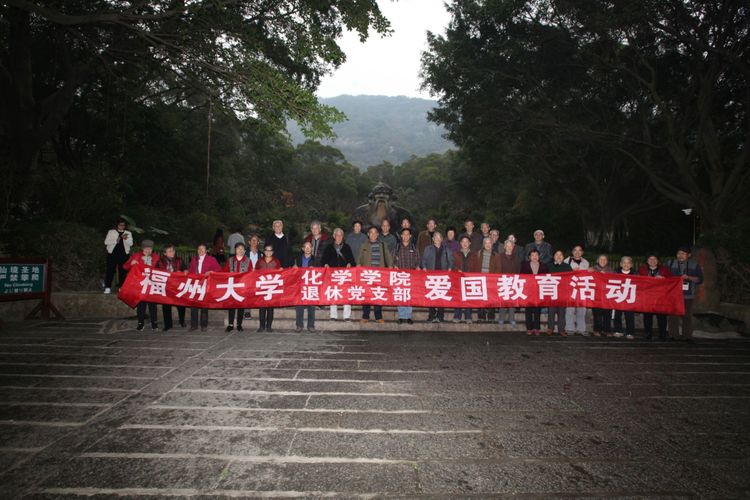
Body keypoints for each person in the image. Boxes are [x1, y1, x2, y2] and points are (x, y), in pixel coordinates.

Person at [667, 246, 704, 342]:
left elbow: (700, 279)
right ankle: (673, 335)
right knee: (673, 316)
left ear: (689, 255)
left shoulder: (694, 265)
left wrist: (688, 277)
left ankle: (687, 336)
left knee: (687, 316)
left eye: (683, 253)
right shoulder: (670, 263)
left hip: (688, 294)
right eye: (679, 253)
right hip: (673, 294)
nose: (680, 255)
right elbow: (666, 277)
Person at [357, 226, 393, 323]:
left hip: (379, 274)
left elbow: (388, 256)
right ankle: (365, 316)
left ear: (377, 234)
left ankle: (378, 316)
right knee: (366, 295)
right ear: (368, 234)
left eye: (375, 232)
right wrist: (358, 265)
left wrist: (390, 266)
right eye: (371, 232)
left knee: (378, 294)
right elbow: (359, 258)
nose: (373, 234)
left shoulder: (383, 245)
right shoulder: (364, 245)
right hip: (367, 275)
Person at [123, 239, 160, 331]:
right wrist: (131, 263)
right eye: (146, 248)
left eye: (150, 248)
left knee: (152, 305)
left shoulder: (156, 257)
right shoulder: (136, 256)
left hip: (152, 284)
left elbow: (161, 269)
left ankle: (154, 323)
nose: (148, 250)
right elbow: (125, 267)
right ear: (142, 249)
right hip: (140, 284)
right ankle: (140, 323)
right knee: (141, 305)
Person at [322, 227, 357, 321]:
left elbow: (352, 261)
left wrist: (350, 264)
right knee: (334, 293)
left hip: (344, 275)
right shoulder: (329, 247)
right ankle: (333, 315)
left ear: (343, 236)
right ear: (334, 236)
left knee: (346, 294)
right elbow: (323, 260)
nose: (339, 237)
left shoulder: (347, 247)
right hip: (332, 275)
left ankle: (346, 316)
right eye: (337, 235)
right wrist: (325, 264)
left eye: (340, 235)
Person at [188, 243, 221, 332]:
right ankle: (194, 325)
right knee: (193, 305)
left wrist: (211, 272)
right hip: (195, 285)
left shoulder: (211, 259)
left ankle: (204, 325)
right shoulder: (194, 260)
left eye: (203, 249)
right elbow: (190, 271)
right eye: (199, 249)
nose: (200, 251)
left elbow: (219, 270)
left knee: (204, 305)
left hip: (206, 285)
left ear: (206, 251)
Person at [638, 252, 671, 341]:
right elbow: (638, 280)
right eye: (650, 259)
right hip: (647, 297)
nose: (652, 261)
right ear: (647, 261)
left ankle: (662, 335)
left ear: (658, 260)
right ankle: (648, 334)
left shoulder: (664, 270)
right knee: (647, 316)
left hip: (660, 297)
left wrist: (664, 278)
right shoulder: (642, 269)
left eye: (654, 259)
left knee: (662, 316)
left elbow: (671, 281)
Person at [423, 231, 454, 323]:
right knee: (431, 295)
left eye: (439, 237)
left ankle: (440, 316)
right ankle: (431, 315)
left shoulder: (446, 249)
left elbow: (451, 260)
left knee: (441, 296)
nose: (437, 239)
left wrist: (450, 268)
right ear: (433, 239)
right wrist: (424, 267)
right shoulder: (428, 249)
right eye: (435, 237)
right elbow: (423, 260)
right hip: (431, 276)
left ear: (441, 239)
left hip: (443, 276)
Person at [392, 227, 420, 324]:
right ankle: (401, 316)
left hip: (410, 276)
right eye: (404, 234)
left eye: (407, 234)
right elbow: (392, 259)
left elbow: (418, 260)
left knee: (408, 295)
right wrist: (394, 266)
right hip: (399, 276)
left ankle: (408, 316)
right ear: (401, 236)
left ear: (410, 236)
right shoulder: (397, 247)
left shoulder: (414, 247)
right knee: (400, 295)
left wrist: (417, 267)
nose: (405, 236)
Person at [155, 244, 186, 331]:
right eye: (169, 251)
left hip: (177, 286)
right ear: (165, 253)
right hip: (166, 287)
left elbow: (185, 269)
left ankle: (182, 321)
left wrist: (184, 271)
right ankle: (168, 324)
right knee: (166, 306)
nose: (172, 252)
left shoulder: (179, 260)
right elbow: (156, 272)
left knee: (181, 305)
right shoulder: (160, 262)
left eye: (173, 250)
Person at [223, 242, 252, 332]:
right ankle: (230, 324)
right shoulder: (230, 260)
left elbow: (250, 274)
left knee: (241, 306)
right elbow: (224, 272)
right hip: (232, 286)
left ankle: (239, 324)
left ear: (244, 251)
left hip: (243, 286)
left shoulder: (248, 260)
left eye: (242, 249)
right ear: (235, 250)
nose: (240, 250)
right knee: (231, 305)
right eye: (238, 248)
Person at [521, 249, 549, 335]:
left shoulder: (544, 266)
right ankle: (529, 328)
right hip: (528, 291)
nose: (534, 257)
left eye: (536, 255)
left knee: (537, 310)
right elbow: (521, 277)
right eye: (532, 255)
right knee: (528, 310)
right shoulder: (524, 265)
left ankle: (537, 328)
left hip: (539, 291)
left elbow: (547, 277)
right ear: (529, 257)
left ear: (539, 256)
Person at [451, 235, 478, 323]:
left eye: (467, 242)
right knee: (458, 297)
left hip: (470, 279)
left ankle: (468, 316)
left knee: (468, 298)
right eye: (463, 242)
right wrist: (457, 270)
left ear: (470, 243)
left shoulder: (474, 254)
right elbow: (452, 265)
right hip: (458, 279)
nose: (465, 243)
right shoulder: (455, 254)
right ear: (460, 243)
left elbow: (476, 267)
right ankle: (457, 316)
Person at [564, 245, 590, 336]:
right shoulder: (566, 261)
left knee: (582, 309)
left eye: (579, 250)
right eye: (575, 250)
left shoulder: (586, 262)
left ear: (582, 252)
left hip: (582, 288)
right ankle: (570, 328)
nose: (577, 252)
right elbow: (563, 273)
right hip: (570, 288)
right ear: (572, 252)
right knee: (569, 309)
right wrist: (571, 271)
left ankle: (581, 329)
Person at [256, 244, 282, 332]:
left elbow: (280, 274)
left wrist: (281, 271)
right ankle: (261, 326)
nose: (268, 252)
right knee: (262, 307)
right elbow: (255, 273)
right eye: (267, 250)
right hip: (262, 287)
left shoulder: (276, 261)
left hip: (272, 287)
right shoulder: (260, 261)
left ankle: (269, 326)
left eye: (270, 250)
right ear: (264, 251)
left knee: (270, 308)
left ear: (273, 252)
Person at [103, 218, 133, 294]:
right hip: (112, 254)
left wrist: (126, 239)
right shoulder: (111, 232)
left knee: (123, 271)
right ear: (117, 225)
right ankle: (107, 287)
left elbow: (131, 244)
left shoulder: (128, 233)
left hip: (124, 255)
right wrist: (116, 240)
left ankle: (121, 287)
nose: (122, 226)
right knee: (110, 270)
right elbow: (106, 242)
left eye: (123, 225)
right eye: (120, 225)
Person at [293, 242, 317, 332]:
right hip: (300, 284)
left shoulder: (316, 259)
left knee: (311, 306)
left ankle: (311, 325)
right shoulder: (297, 259)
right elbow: (293, 272)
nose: (307, 249)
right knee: (299, 306)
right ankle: (299, 325)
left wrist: (315, 269)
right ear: (303, 249)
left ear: (312, 248)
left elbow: (321, 272)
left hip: (311, 285)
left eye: (309, 247)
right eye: (305, 247)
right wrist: (294, 267)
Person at [498, 239, 522, 328]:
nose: (509, 248)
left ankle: (512, 319)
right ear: (504, 247)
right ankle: (501, 318)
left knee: (512, 302)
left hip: (513, 281)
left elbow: (518, 269)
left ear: (513, 247)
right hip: (503, 281)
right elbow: (498, 268)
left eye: (510, 246)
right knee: (502, 301)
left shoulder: (516, 257)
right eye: (507, 246)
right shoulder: (500, 256)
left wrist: (516, 280)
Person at [476, 237, 500, 322]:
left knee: (491, 298)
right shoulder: (479, 253)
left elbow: (498, 268)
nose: (488, 245)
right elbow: (475, 266)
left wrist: (493, 278)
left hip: (491, 279)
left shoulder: (496, 255)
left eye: (489, 243)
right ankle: (481, 316)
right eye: (486, 243)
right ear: (483, 244)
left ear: (492, 244)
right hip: (480, 279)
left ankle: (491, 316)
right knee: (480, 298)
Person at [548, 250, 572, 336]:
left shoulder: (567, 266)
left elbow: (571, 278)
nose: (558, 256)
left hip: (563, 293)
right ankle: (550, 328)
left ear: (563, 257)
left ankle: (561, 329)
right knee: (551, 312)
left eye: (560, 255)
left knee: (562, 312)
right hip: (552, 292)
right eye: (556, 255)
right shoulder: (549, 266)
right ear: (553, 256)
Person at [613, 256, 637, 340]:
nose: (626, 264)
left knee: (629, 315)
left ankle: (630, 332)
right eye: (624, 263)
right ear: (620, 264)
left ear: (631, 265)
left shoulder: (635, 274)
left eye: (628, 263)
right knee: (617, 314)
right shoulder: (616, 273)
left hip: (630, 298)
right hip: (619, 296)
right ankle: (618, 330)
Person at [591, 254, 614, 337]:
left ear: (607, 261)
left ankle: (607, 330)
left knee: (607, 314)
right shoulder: (592, 269)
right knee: (597, 314)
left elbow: (615, 281)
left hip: (607, 296)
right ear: (597, 260)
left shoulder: (611, 271)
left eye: (605, 259)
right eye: (601, 259)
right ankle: (597, 330)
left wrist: (606, 276)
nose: (603, 261)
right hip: (596, 296)